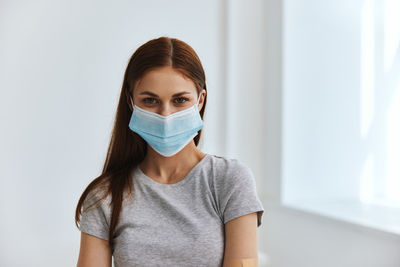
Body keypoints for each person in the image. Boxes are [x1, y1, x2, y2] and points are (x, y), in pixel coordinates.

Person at [75, 36, 265, 267]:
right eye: (150, 100)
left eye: (180, 100)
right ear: (131, 101)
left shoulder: (230, 180)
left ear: (200, 100)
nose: (165, 115)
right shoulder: (104, 196)